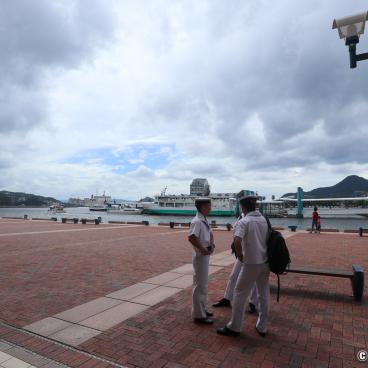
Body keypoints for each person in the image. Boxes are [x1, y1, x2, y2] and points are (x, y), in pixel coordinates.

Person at [217, 196, 270, 337]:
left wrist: (240, 256)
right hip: (265, 262)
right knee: (263, 294)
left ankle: (235, 326)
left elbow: (237, 241)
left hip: (251, 263)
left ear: (243, 207)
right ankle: (262, 326)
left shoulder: (245, 221)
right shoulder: (263, 219)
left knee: (239, 293)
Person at [212, 213, 259, 314]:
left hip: (253, 254)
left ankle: (253, 303)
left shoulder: (258, 218)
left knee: (254, 280)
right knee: (233, 276)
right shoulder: (241, 217)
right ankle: (227, 298)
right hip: (242, 253)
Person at [188, 198, 215, 324]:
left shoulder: (203, 219)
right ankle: (199, 316)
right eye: (208, 206)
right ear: (202, 207)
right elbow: (192, 237)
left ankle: (202, 309)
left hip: (205, 254)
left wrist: (212, 244)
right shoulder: (197, 221)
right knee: (200, 285)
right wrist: (203, 248)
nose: (210, 208)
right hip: (200, 256)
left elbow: (209, 233)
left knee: (203, 284)